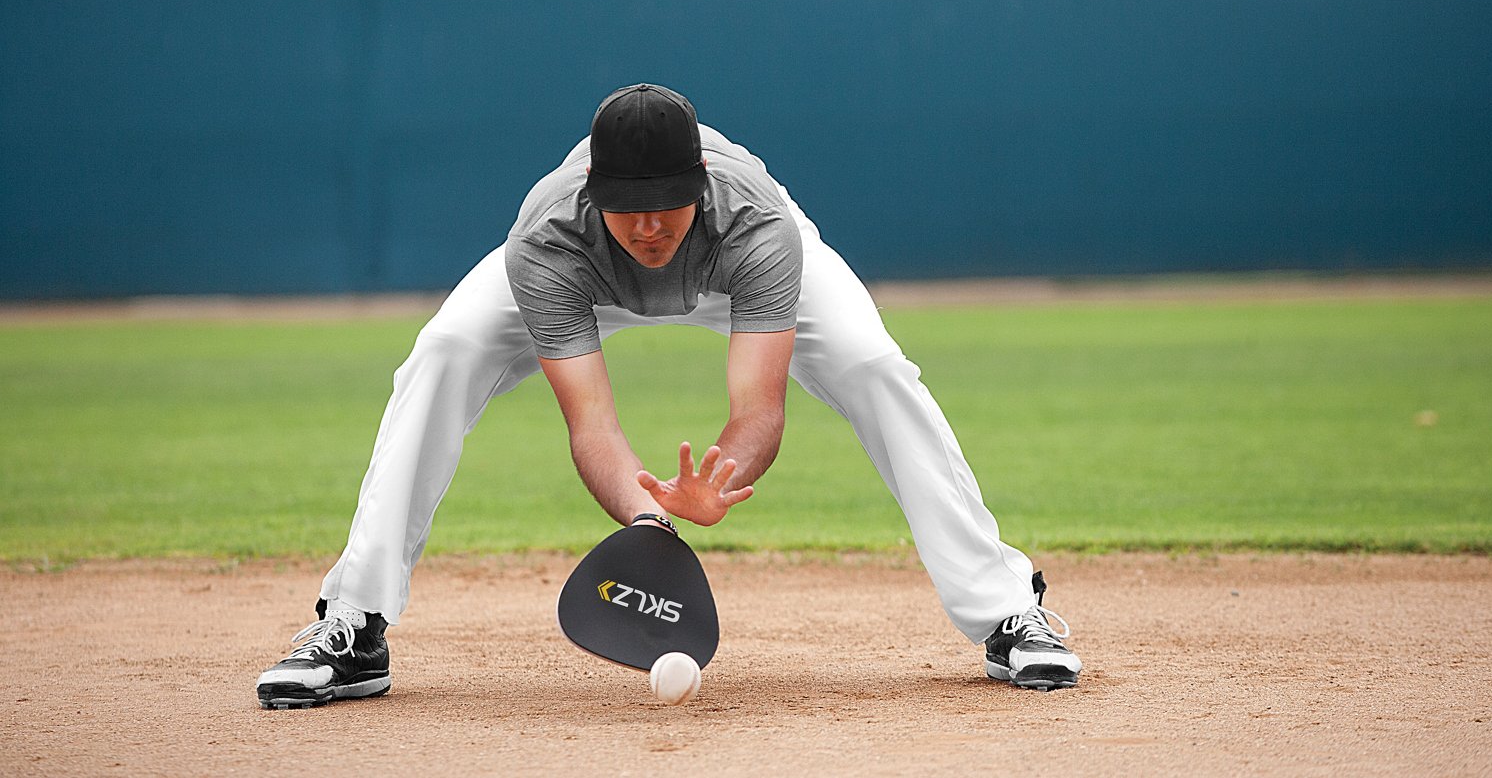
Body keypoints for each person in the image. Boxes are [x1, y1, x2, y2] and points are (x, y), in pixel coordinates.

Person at [254, 83, 1081, 709]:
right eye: (628, 209)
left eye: (666, 206)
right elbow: (592, 420)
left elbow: (759, 408)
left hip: (730, 264)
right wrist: (648, 516)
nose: (648, 227)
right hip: (583, 273)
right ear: (593, 191)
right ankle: (354, 622)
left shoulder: (757, 227)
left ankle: (1007, 611)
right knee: (443, 352)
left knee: (874, 366)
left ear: (701, 182)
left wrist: (719, 480)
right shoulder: (548, 238)